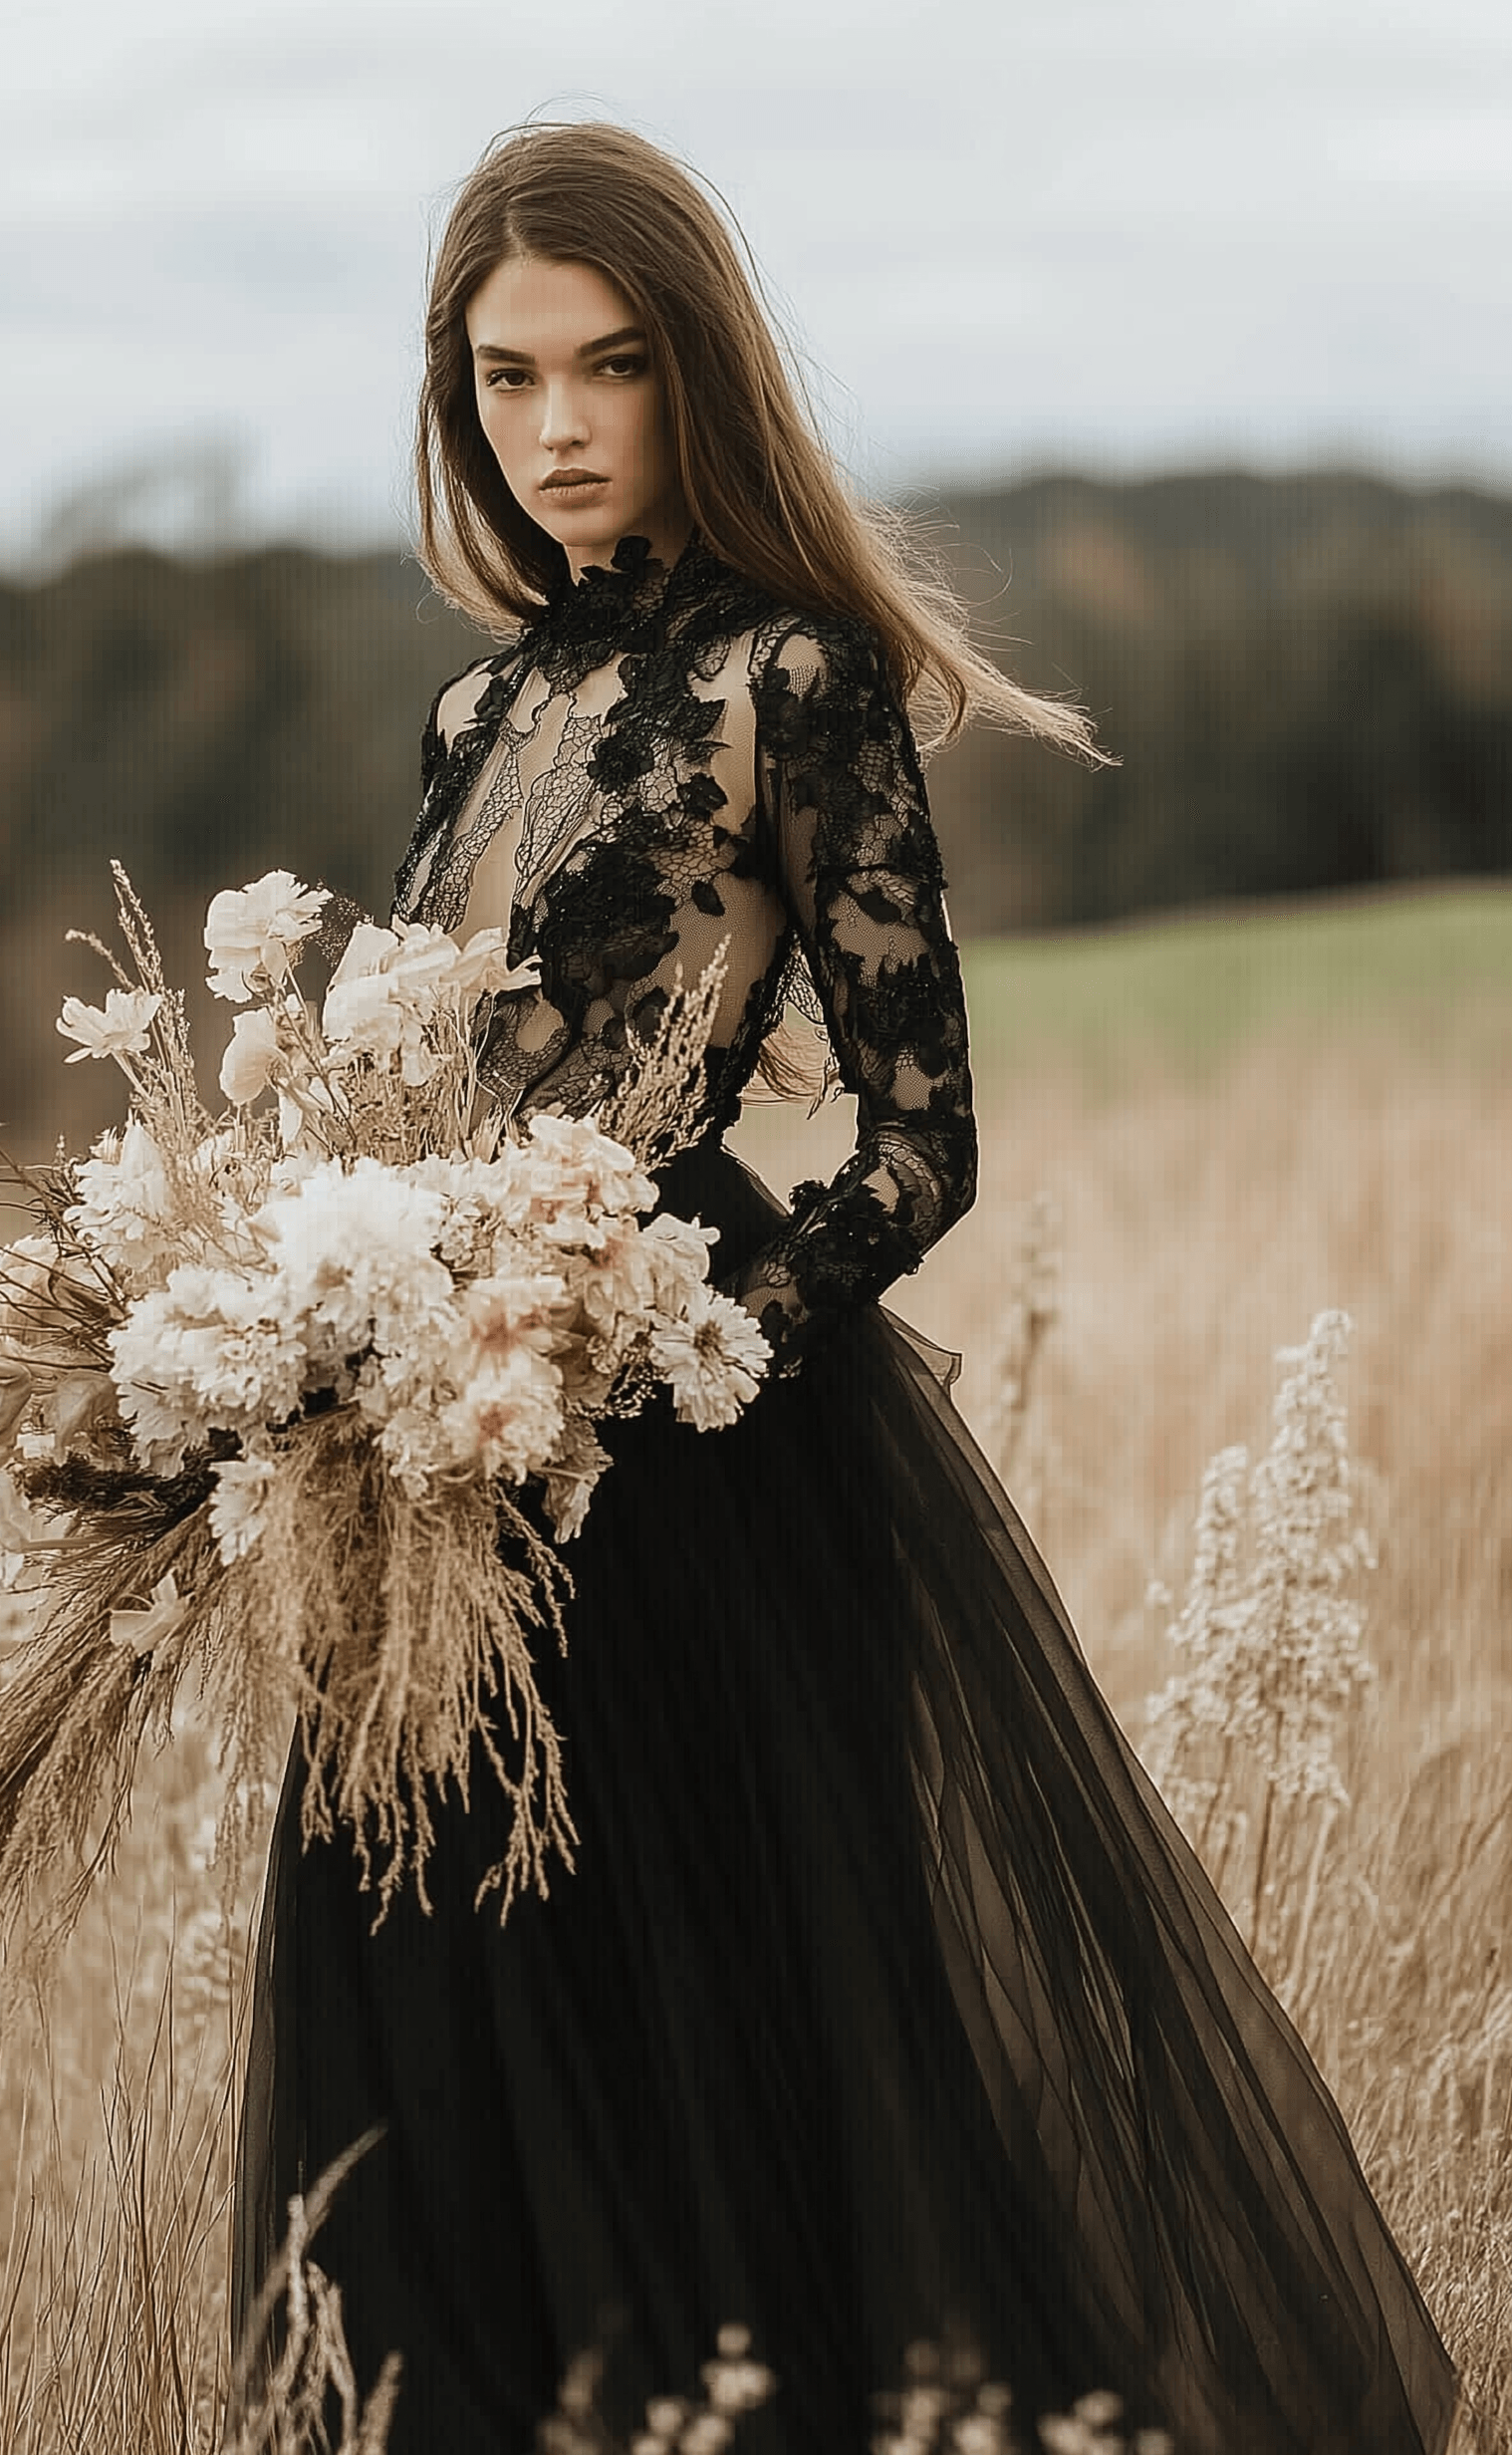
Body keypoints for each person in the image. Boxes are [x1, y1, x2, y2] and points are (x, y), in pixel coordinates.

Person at [232, 121, 1459, 2454]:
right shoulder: (472, 715)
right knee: (436, 2113)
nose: (559, 423)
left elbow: (923, 1139)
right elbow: (417, 1105)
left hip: (688, 1478)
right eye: (503, 378)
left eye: (609, 365)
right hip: (424, 1483)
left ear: (698, 372)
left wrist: (687, 1345)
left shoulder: (792, 682)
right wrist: (307, 1313)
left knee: (725, 2087)